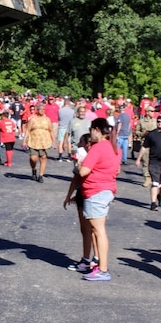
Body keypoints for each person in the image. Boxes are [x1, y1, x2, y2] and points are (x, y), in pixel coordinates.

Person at [77, 118, 121, 282]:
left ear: (96, 130)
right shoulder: (112, 146)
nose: (90, 134)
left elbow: (83, 172)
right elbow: (116, 169)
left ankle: (103, 269)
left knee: (99, 230)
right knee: (97, 230)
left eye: (91, 130)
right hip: (106, 189)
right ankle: (100, 265)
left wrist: (80, 164)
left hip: (96, 191)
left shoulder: (98, 148)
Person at [64, 133, 99, 273]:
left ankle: (95, 259)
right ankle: (87, 259)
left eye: (82, 142)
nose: (80, 145)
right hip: (82, 194)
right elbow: (76, 179)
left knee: (93, 229)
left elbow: (79, 176)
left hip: (92, 194)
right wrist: (69, 196)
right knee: (86, 229)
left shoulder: (91, 159)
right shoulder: (83, 158)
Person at [135, 114, 161, 211]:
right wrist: (138, 159)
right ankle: (153, 203)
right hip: (154, 162)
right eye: (158, 121)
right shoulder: (151, 134)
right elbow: (144, 147)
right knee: (155, 183)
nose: (160, 123)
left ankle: (160, 195)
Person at [23, 102, 54, 182]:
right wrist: (24, 141)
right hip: (34, 141)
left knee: (43, 158)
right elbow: (28, 130)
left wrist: (54, 142)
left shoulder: (47, 119)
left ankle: (40, 176)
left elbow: (51, 131)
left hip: (44, 141)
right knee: (33, 158)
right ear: (37, 110)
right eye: (41, 109)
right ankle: (34, 170)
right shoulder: (32, 119)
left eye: (43, 109)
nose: (42, 111)